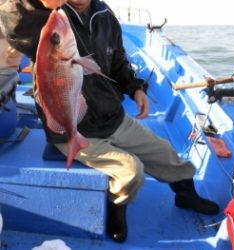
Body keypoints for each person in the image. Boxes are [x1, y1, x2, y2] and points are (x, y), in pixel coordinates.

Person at [0, 0, 219, 243]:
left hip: (111, 116)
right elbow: (16, 26)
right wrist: (35, 2)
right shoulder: (47, 17)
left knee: (166, 153)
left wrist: (136, 89)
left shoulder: (104, 14)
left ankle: (185, 194)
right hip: (72, 128)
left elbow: (117, 61)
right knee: (130, 170)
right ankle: (117, 208)